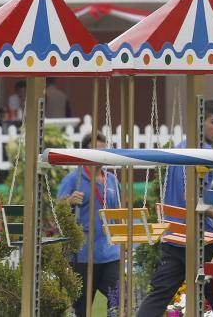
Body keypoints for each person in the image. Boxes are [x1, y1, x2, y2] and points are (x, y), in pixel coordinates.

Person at [136, 100, 213, 317]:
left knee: (158, 296)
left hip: (174, 235)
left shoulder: (180, 148)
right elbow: (191, 200)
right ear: (201, 122)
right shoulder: (206, 153)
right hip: (202, 237)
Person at [57, 132, 121, 317]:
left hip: (111, 254)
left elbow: (118, 215)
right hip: (83, 256)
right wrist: (68, 202)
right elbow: (57, 213)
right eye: (95, 150)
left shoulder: (112, 180)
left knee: (118, 301)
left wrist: (123, 245)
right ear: (84, 153)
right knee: (81, 309)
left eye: (103, 150)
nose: (99, 155)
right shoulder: (73, 179)